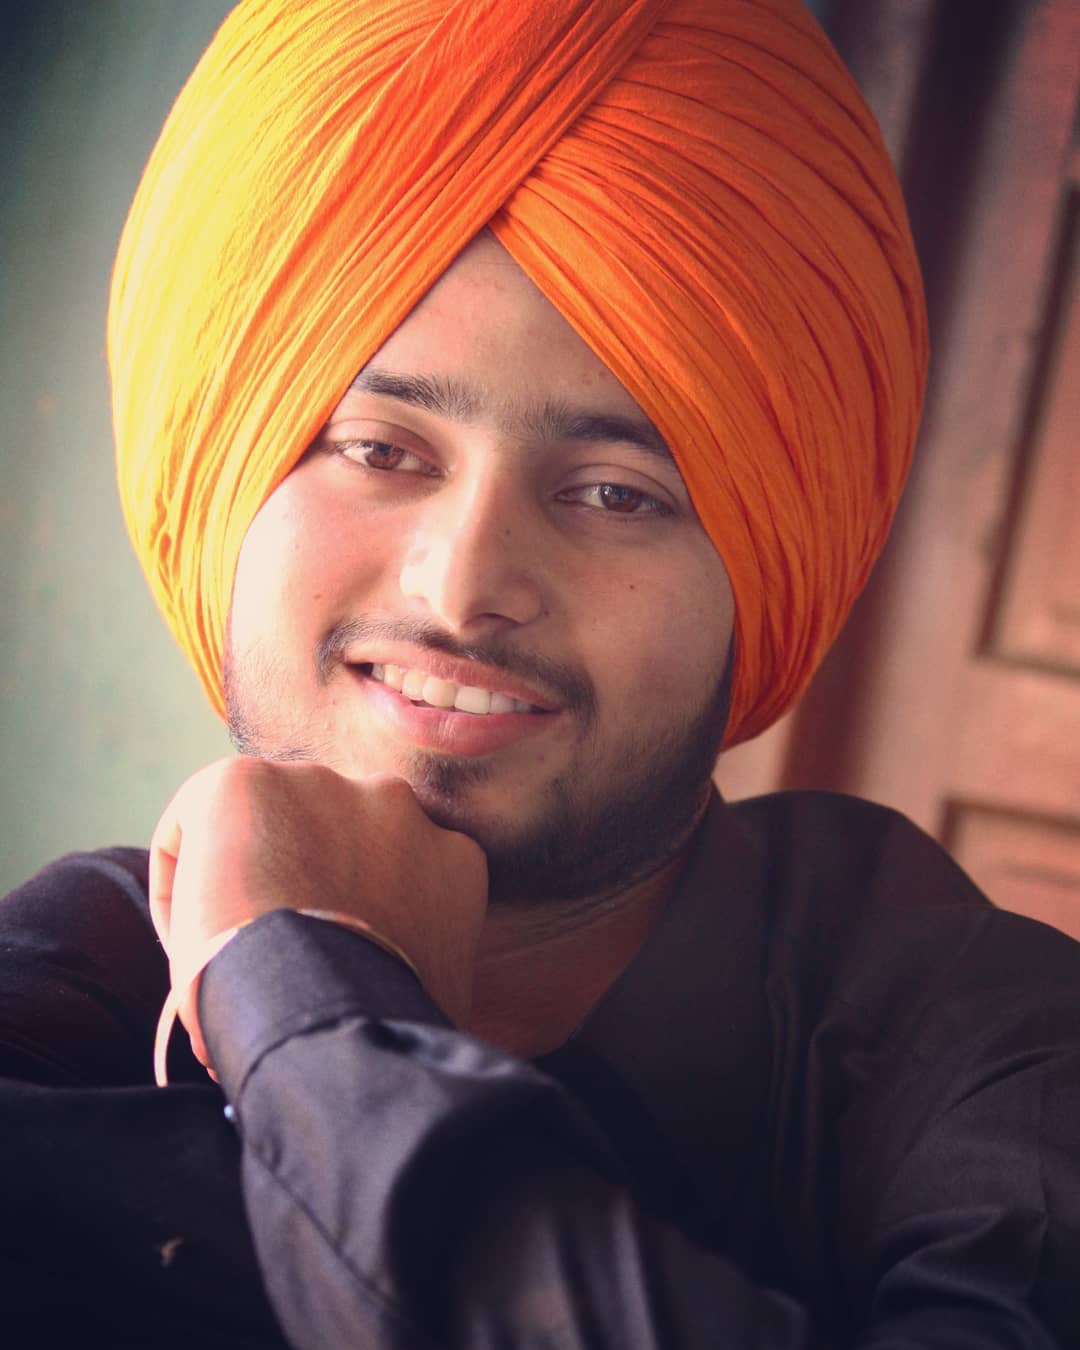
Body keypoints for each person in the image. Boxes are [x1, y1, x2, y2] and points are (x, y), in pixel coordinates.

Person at [2, 0, 1079, 1346]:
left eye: (617, 492)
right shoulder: (64, 1000)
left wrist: (318, 1005)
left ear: (765, 561)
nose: (463, 588)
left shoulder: (986, 1045)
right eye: (379, 449)